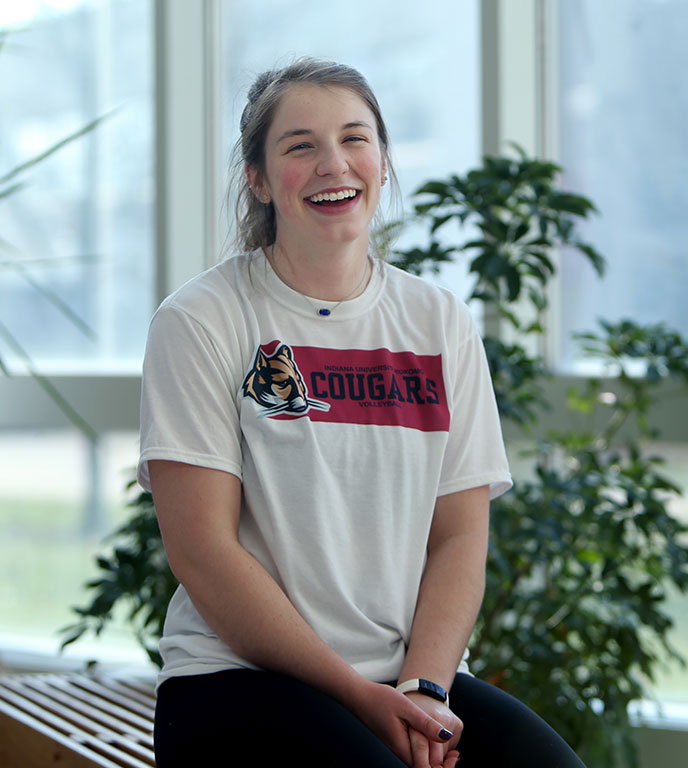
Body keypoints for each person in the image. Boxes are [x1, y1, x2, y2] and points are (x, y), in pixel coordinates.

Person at [139, 57, 587, 768]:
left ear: (381, 161)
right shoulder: (201, 320)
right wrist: (356, 693)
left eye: (354, 138)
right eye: (300, 146)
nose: (333, 164)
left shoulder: (438, 322)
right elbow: (203, 552)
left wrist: (428, 688)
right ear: (257, 177)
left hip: (407, 676)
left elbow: (459, 537)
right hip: (237, 682)